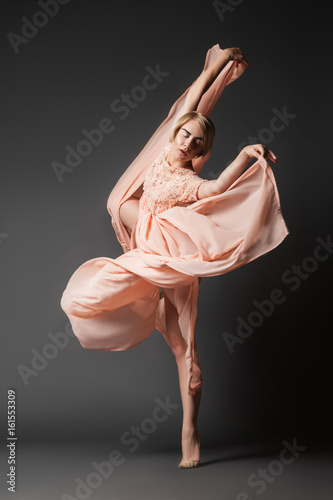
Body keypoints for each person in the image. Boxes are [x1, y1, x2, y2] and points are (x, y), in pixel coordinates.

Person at [61, 45, 288, 469]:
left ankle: (189, 430)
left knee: (187, 350)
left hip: (171, 263)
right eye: (184, 135)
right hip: (146, 250)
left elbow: (219, 187)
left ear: (200, 150)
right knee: (102, 251)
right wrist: (215, 68)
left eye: (196, 142)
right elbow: (190, 103)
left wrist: (244, 154)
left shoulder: (188, 182)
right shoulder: (162, 153)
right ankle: (148, 310)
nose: (186, 143)